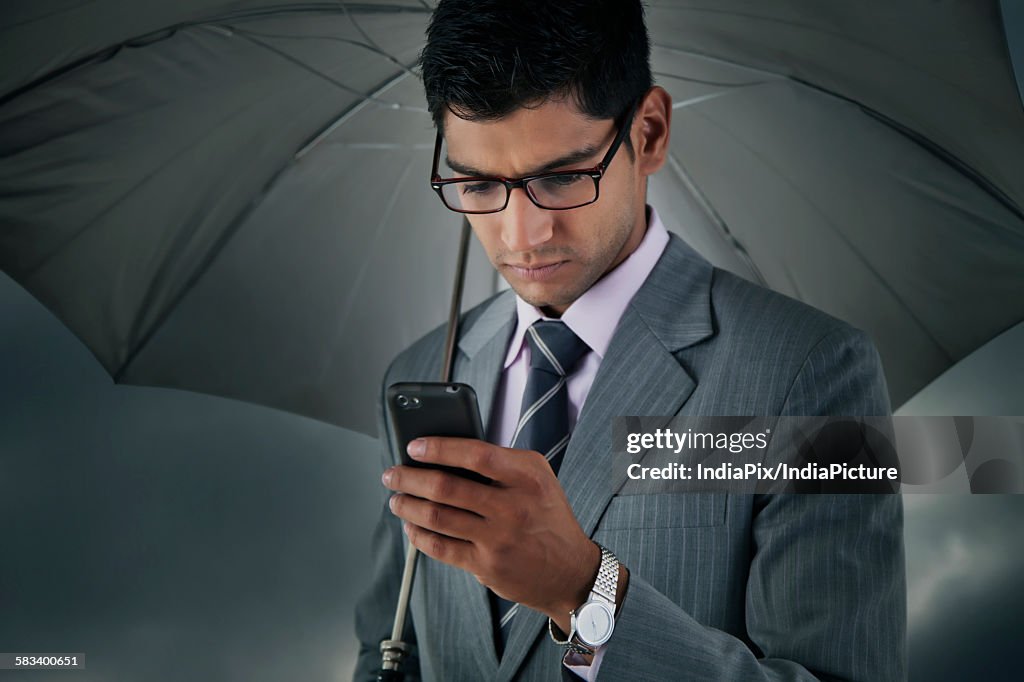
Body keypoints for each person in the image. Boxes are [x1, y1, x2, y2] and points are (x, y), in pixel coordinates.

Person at [353, 1, 906, 680]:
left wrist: (583, 592)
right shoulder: (419, 373)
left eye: (560, 178)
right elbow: (389, 648)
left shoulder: (814, 372)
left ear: (647, 133)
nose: (520, 236)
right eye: (475, 184)